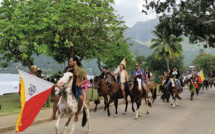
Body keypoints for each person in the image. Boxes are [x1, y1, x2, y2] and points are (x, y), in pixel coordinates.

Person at [70, 57, 88, 122]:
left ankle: (77, 114)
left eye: (70, 61)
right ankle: (55, 114)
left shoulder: (81, 70)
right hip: (69, 87)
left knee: (81, 98)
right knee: (58, 96)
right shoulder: (70, 70)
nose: (69, 62)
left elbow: (86, 79)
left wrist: (80, 84)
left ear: (75, 62)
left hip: (77, 87)